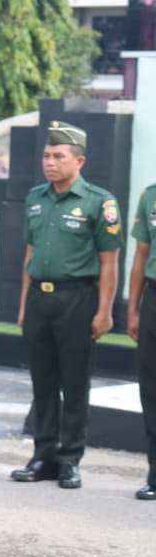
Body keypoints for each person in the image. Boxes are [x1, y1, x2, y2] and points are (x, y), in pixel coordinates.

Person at [12, 121, 121, 489]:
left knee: (74, 383)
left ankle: (69, 458)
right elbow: (30, 252)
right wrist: (25, 304)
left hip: (78, 298)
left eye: (59, 156)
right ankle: (43, 454)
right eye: (46, 155)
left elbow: (109, 261)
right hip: (40, 298)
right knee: (42, 382)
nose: (50, 162)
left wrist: (105, 311)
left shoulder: (98, 202)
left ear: (80, 161)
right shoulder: (36, 198)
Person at [125, 178, 156, 501]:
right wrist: (133, 309)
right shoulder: (151, 195)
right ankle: (155, 474)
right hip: (153, 299)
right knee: (151, 390)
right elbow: (141, 256)